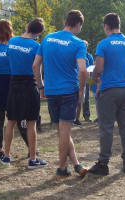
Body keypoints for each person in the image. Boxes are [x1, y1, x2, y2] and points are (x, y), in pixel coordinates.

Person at [33, 10, 89, 176]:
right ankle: (62, 167)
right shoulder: (78, 43)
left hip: (51, 90)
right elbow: (84, 71)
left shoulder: (47, 38)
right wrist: (80, 89)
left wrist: (41, 87)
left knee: (62, 130)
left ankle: (76, 164)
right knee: (64, 131)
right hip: (69, 90)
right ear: (78, 24)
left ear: (66, 21)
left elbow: (35, 66)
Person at [89, 13, 125, 175]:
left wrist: (94, 77)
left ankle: (103, 163)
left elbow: (99, 68)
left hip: (109, 89)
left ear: (106, 26)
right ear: (119, 25)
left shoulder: (104, 44)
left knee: (107, 127)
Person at [0, 19, 38, 159]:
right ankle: (31, 149)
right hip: (12, 82)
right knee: (19, 119)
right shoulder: (13, 46)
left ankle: (0, 150)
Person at [0, 18, 48, 169]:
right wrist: (41, 87)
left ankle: (6, 156)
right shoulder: (36, 46)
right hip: (29, 84)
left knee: (11, 120)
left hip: (14, 84)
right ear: (39, 33)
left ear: (27, 26)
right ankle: (33, 159)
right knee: (31, 122)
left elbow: (10, 57)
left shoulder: (12, 41)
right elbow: (36, 67)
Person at [74, 40, 93, 125]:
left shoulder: (88, 57)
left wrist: (90, 80)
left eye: (86, 46)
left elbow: (90, 69)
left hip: (84, 81)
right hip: (73, 81)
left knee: (82, 100)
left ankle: (82, 117)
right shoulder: (73, 55)